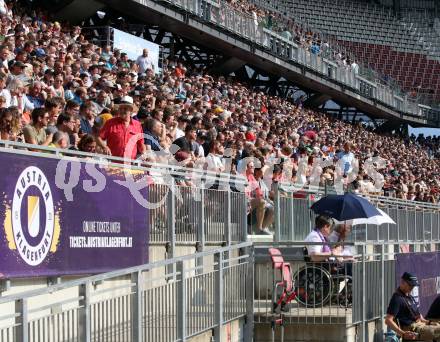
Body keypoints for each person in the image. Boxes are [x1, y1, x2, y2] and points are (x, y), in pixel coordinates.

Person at [385, 272, 440, 340]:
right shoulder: (397, 298)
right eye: (410, 285)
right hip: (412, 329)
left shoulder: (409, 296)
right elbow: (388, 320)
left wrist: (430, 322)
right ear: (403, 282)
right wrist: (402, 334)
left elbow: (419, 316)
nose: (412, 287)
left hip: (421, 325)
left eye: (413, 285)